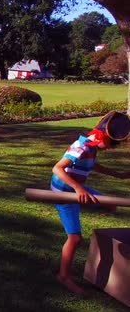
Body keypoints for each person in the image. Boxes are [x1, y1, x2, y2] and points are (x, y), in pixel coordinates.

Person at [51, 110, 130, 295]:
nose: (112, 147)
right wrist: (79, 190)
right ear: (103, 135)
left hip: (78, 190)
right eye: (112, 143)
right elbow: (58, 168)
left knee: (110, 205)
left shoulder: (92, 147)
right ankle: (63, 276)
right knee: (75, 238)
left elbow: (90, 164)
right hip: (64, 193)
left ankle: (86, 208)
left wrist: (117, 175)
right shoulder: (82, 146)